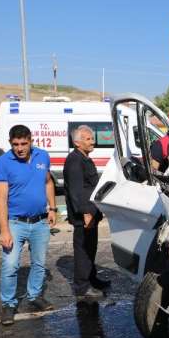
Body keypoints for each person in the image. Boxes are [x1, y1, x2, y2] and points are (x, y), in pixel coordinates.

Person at [0, 125, 57, 325]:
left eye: (23, 143)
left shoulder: (42, 156)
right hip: (15, 223)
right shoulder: (3, 163)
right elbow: (1, 200)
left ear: (31, 140)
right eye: (15, 144)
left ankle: (34, 296)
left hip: (40, 222)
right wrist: (4, 231)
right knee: (11, 265)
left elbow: (48, 182)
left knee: (39, 263)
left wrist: (53, 208)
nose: (20, 148)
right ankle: (8, 304)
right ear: (10, 143)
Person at [63, 125, 109, 298]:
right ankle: (82, 287)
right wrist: (85, 212)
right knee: (83, 250)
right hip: (84, 215)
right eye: (88, 139)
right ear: (77, 142)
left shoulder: (84, 158)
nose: (93, 141)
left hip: (91, 211)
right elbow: (76, 191)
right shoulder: (74, 160)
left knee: (91, 247)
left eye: (92, 138)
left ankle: (92, 278)